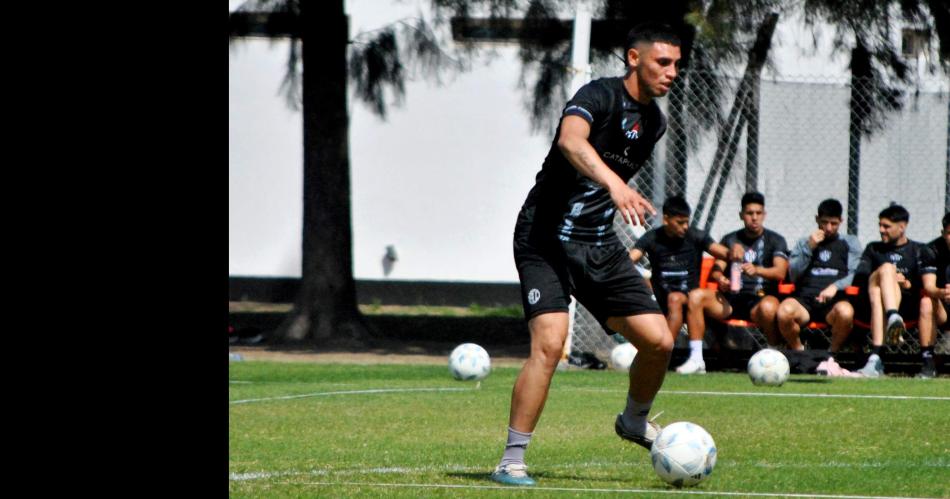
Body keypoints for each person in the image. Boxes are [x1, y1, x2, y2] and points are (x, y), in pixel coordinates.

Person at [491, 22, 682, 486]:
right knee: (551, 345)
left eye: (677, 64)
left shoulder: (653, 122)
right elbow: (571, 141)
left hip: (598, 244)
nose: (673, 72)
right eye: (663, 62)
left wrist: (615, 193)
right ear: (634, 59)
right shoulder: (597, 95)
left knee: (660, 342)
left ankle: (634, 420)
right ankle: (511, 460)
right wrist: (616, 184)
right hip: (544, 240)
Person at [678, 192, 789, 374]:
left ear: (764, 215)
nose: (754, 218)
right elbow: (717, 268)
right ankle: (697, 359)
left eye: (758, 213)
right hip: (730, 300)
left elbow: (780, 271)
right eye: (749, 213)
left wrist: (757, 270)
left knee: (769, 307)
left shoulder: (775, 240)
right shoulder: (730, 239)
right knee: (696, 296)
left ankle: (774, 356)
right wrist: (721, 279)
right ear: (741, 215)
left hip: (759, 300)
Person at [629, 195, 729, 340]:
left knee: (675, 299)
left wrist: (734, 252)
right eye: (680, 222)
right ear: (666, 219)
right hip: (661, 301)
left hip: (690, 300)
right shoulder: (652, 238)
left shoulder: (695, 236)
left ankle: (665, 351)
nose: (685, 227)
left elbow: (721, 252)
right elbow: (631, 258)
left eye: (687, 222)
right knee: (668, 299)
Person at [776, 199, 862, 359]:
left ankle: (831, 356)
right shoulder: (804, 242)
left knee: (846, 312)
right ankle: (800, 354)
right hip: (804, 301)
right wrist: (809, 248)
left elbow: (854, 274)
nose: (829, 228)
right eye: (824, 222)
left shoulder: (850, 243)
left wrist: (836, 286)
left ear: (841, 221)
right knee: (783, 312)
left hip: (833, 303)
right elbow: (793, 273)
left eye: (834, 223)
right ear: (817, 219)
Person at [853, 204, 929, 378]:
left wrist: (905, 284)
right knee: (886, 270)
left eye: (886, 226)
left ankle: (876, 359)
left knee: (879, 291)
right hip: (870, 304)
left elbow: (923, 283)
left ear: (902, 227)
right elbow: (861, 276)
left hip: (905, 305)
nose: (881, 230)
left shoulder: (917, 250)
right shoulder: (873, 248)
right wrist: (886, 275)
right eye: (880, 225)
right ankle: (893, 316)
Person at [917, 212, 950, 378]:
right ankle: (928, 362)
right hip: (943, 308)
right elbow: (929, 287)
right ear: (943, 233)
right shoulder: (930, 250)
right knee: (926, 302)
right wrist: (943, 293)